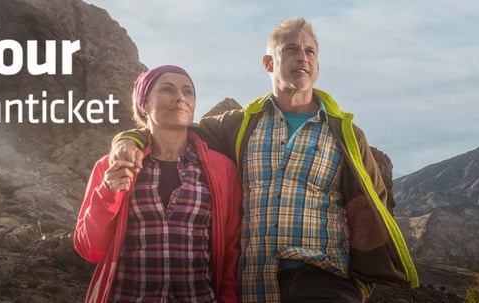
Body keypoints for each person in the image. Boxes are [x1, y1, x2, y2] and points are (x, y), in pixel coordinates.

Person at [110, 18, 418, 302]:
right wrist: (128, 139)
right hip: (253, 285)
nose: (303, 57)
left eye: (310, 51)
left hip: (325, 280)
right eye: (292, 50)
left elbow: (373, 207)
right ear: (268, 63)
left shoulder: (346, 134)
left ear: (318, 65)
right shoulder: (240, 125)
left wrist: (359, 285)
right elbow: (171, 129)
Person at [73, 65, 242, 303]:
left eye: (188, 91)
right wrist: (108, 193)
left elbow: (231, 254)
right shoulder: (112, 165)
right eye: (167, 89)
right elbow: (89, 248)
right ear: (143, 104)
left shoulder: (222, 169)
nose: (180, 98)